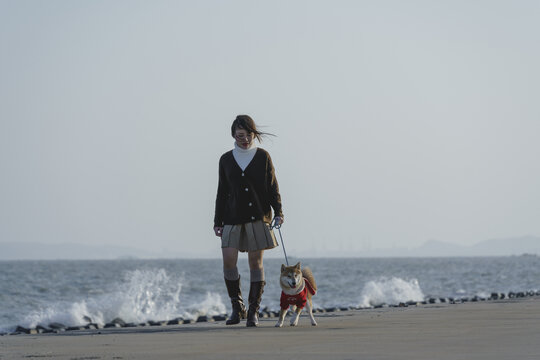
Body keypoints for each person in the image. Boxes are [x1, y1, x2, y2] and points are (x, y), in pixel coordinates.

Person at [213, 115, 284, 327]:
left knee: (255, 263)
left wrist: (279, 211)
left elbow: (273, 186)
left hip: (258, 216)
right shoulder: (226, 159)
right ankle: (237, 308)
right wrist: (217, 221)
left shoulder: (263, 156)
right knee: (228, 260)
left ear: (254, 134)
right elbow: (222, 192)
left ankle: (253, 310)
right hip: (232, 217)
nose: (244, 139)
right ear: (233, 135)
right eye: (240, 136)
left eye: (248, 135)